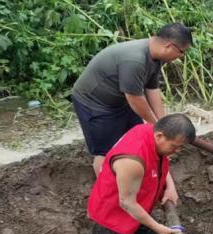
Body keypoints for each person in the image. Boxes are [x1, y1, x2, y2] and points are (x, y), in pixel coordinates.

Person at [71, 114, 196, 234]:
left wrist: (170, 187)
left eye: (181, 147)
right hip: (112, 216)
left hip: (137, 212)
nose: (177, 151)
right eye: (175, 146)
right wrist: (158, 226)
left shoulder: (151, 133)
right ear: (160, 136)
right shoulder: (132, 160)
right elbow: (126, 203)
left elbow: (162, 163)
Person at [72, 23, 193, 175]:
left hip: (121, 101)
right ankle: (108, 191)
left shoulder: (155, 57)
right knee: (106, 152)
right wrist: (156, 125)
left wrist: (163, 123)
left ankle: (132, 176)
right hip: (95, 104)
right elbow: (135, 98)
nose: (180, 57)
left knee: (136, 139)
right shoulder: (135, 60)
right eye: (182, 52)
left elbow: (152, 89)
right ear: (170, 46)